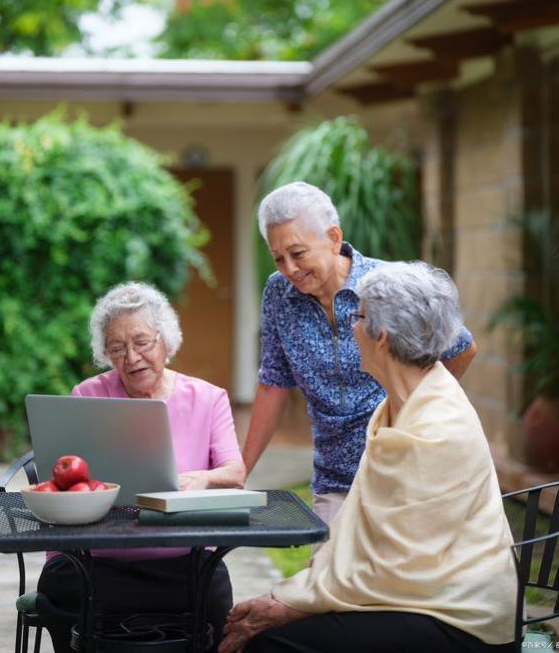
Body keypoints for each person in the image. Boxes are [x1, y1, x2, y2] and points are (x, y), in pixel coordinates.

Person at [220, 261, 518, 653]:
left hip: (461, 618)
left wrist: (294, 605)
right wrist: (298, 594)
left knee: (273, 645)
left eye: (358, 317)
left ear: (383, 338)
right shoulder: (400, 403)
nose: (351, 328)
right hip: (423, 596)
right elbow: (364, 532)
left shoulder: (435, 426)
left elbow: (399, 567)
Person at [243, 181, 477, 524]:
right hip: (333, 479)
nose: (290, 268)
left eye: (298, 253)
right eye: (279, 258)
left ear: (333, 238)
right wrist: (242, 469)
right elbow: (273, 382)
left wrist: (413, 409)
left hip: (400, 475)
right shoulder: (279, 294)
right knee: (326, 572)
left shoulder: (387, 284)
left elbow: (462, 348)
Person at [37, 281, 245, 653]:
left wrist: (204, 477)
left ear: (167, 341)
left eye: (142, 342)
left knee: (214, 601)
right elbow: (62, 480)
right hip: (95, 560)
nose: (131, 358)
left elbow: (235, 472)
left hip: (183, 558)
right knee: (59, 588)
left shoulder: (209, 399)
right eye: (117, 348)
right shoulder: (86, 396)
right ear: (106, 354)